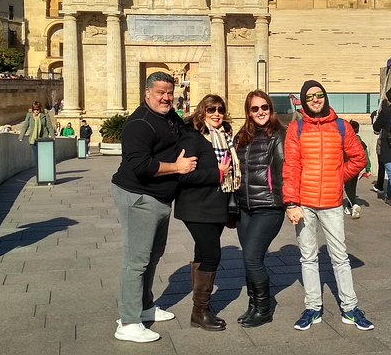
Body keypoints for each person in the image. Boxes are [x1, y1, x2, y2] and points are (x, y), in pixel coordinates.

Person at [110, 72, 197, 343]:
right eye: (160, 92)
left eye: (169, 92)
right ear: (147, 93)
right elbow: (141, 165)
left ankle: (144, 306)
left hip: (159, 199)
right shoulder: (139, 124)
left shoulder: (169, 116)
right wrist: (178, 167)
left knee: (153, 255)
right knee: (136, 261)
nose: (166, 97)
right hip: (138, 197)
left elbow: (185, 134)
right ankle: (128, 321)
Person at [283, 80, 374, 331]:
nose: (315, 99)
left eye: (319, 94)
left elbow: (359, 158)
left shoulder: (341, 127)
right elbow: (290, 167)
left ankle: (350, 308)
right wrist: (290, 202)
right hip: (304, 203)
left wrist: (337, 176)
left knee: (340, 257)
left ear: (325, 97)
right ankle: (313, 307)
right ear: (303, 100)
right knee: (308, 258)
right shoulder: (296, 129)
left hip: (332, 203)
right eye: (310, 96)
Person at [175, 94, 240, 331]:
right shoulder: (193, 138)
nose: (216, 114)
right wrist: (218, 174)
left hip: (216, 207)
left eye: (220, 110)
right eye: (211, 109)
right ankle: (199, 311)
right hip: (196, 207)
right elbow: (184, 174)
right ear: (202, 112)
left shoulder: (225, 137)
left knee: (202, 253)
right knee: (212, 255)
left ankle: (201, 308)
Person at [234, 90, 286, 328]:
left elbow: (284, 172)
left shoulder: (278, 134)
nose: (260, 112)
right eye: (255, 109)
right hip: (245, 207)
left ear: (270, 108)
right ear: (249, 112)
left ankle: (264, 308)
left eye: (264, 107)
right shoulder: (241, 136)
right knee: (248, 259)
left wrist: (291, 202)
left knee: (252, 257)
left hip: (269, 206)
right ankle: (253, 305)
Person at [343, 120, 371, 219]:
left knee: (347, 188)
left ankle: (354, 205)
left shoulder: (346, 140)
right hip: (357, 168)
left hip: (347, 167)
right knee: (353, 187)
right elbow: (365, 155)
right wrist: (368, 168)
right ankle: (349, 206)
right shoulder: (360, 141)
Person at [18, 101, 55, 166]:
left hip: (43, 139)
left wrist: (53, 137)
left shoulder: (45, 115)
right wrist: (21, 136)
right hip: (33, 140)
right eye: (34, 109)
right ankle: (39, 172)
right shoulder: (29, 115)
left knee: (43, 156)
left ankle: (44, 169)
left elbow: (49, 126)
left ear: (40, 109)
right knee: (37, 158)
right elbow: (25, 125)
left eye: (37, 109)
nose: (36, 111)